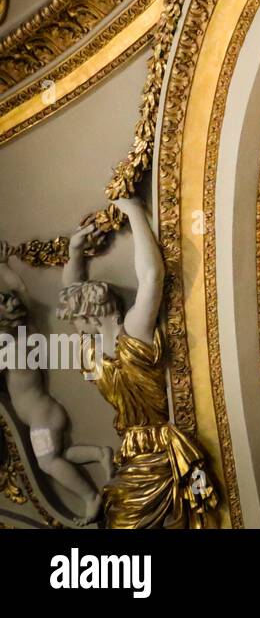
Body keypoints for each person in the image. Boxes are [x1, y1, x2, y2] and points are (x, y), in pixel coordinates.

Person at [57, 197, 219, 529]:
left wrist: (133, 211)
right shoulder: (94, 352)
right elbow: (70, 291)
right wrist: (75, 255)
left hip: (159, 453)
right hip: (132, 452)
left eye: (76, 319)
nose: (73, 326)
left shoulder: (134, 336)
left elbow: (152, 276)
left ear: (90, 315)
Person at [0, 252, 111, 525]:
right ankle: (99, 454)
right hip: (46, 413)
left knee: (47, 463)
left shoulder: (8, 346)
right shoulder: (29, 331)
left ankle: (90, 497)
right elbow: (22, 289)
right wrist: (2, 266)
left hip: (40, 418)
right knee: (58, 456)